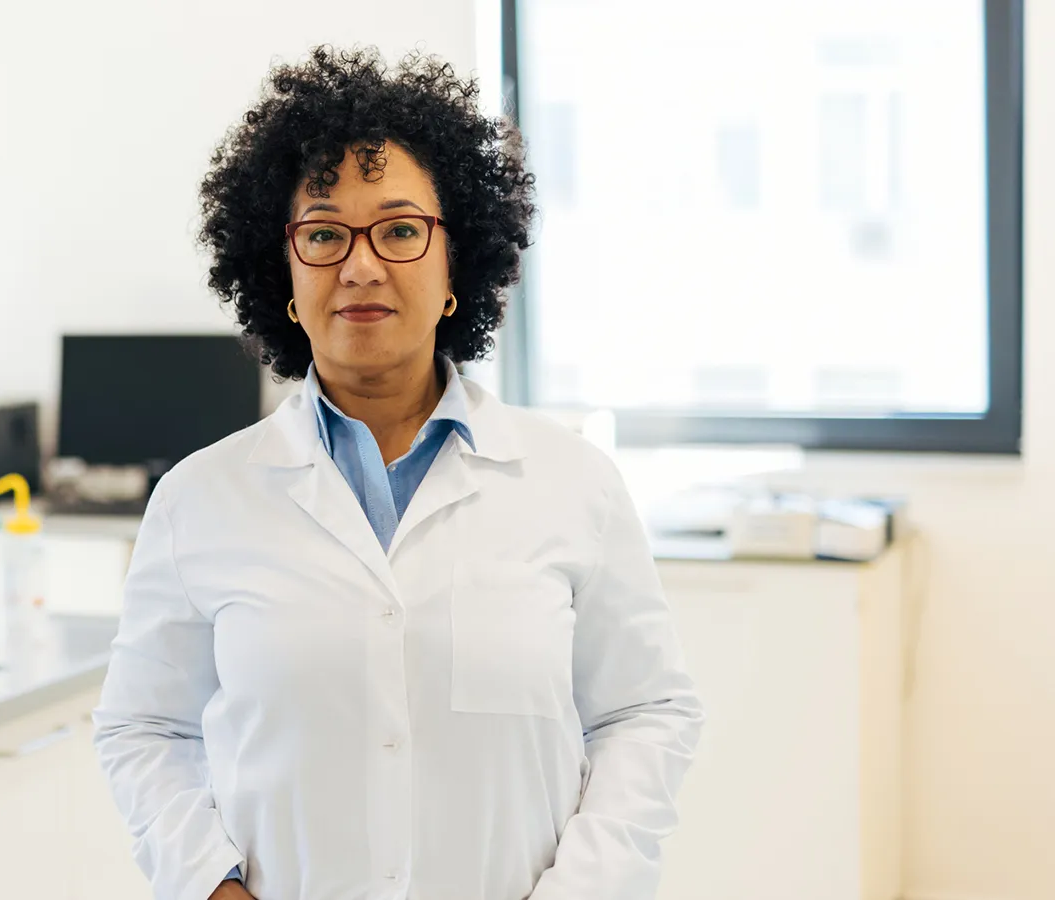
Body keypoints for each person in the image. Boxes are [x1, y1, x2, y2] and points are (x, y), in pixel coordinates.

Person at [92, 46, 704, 900]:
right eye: (323, 232)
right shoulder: (200, 499)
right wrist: (210, 885)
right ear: (285, 274)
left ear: (459, 265)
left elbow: (644, 713)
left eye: (402, 228)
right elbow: (143, 726)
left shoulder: (573, 484)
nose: (362, 265)